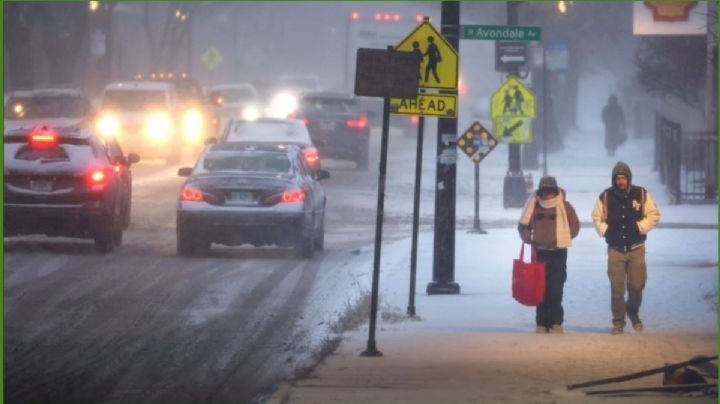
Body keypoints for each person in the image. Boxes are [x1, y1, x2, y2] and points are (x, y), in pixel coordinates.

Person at [591, 162, 660, 335]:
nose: (621, 181)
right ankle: (618, 322)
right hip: (615, 249)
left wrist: (639, 227)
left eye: (623, 178)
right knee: (617, 288)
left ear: (629, 178)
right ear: (614, 179)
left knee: (637, 285)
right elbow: (596, 217)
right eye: (617, 178)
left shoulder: (641, 194)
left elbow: (654, 215)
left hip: (636, 247)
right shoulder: (605, 196)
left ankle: (632, 311)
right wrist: (605, 230)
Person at [518, 176, 580, 334]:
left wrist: (563, 236)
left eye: (551, 191)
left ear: (556, 191)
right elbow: (523, 225)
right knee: (540, 288)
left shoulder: (565, 207)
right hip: (540, 252)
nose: (548, 195)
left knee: (556, 288)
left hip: (558, 252)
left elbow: (575, 225)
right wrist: (530, 238)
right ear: (541, 191)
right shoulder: (533, 206)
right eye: (545, 191)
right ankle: (541, 323)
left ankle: (556, 322)